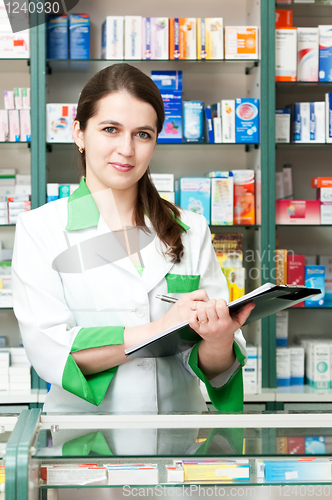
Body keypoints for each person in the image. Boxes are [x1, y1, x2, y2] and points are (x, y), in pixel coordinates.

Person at [12, 63, 254, 414]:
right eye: (110, 129)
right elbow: (51, 352)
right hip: (85, 444)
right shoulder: (41, 229)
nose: (126, 149)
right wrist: (160, 328)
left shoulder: (191, 227)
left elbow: (217, 370)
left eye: (142, 134)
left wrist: (218, 339)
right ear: (79, 133)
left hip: (177, 443)